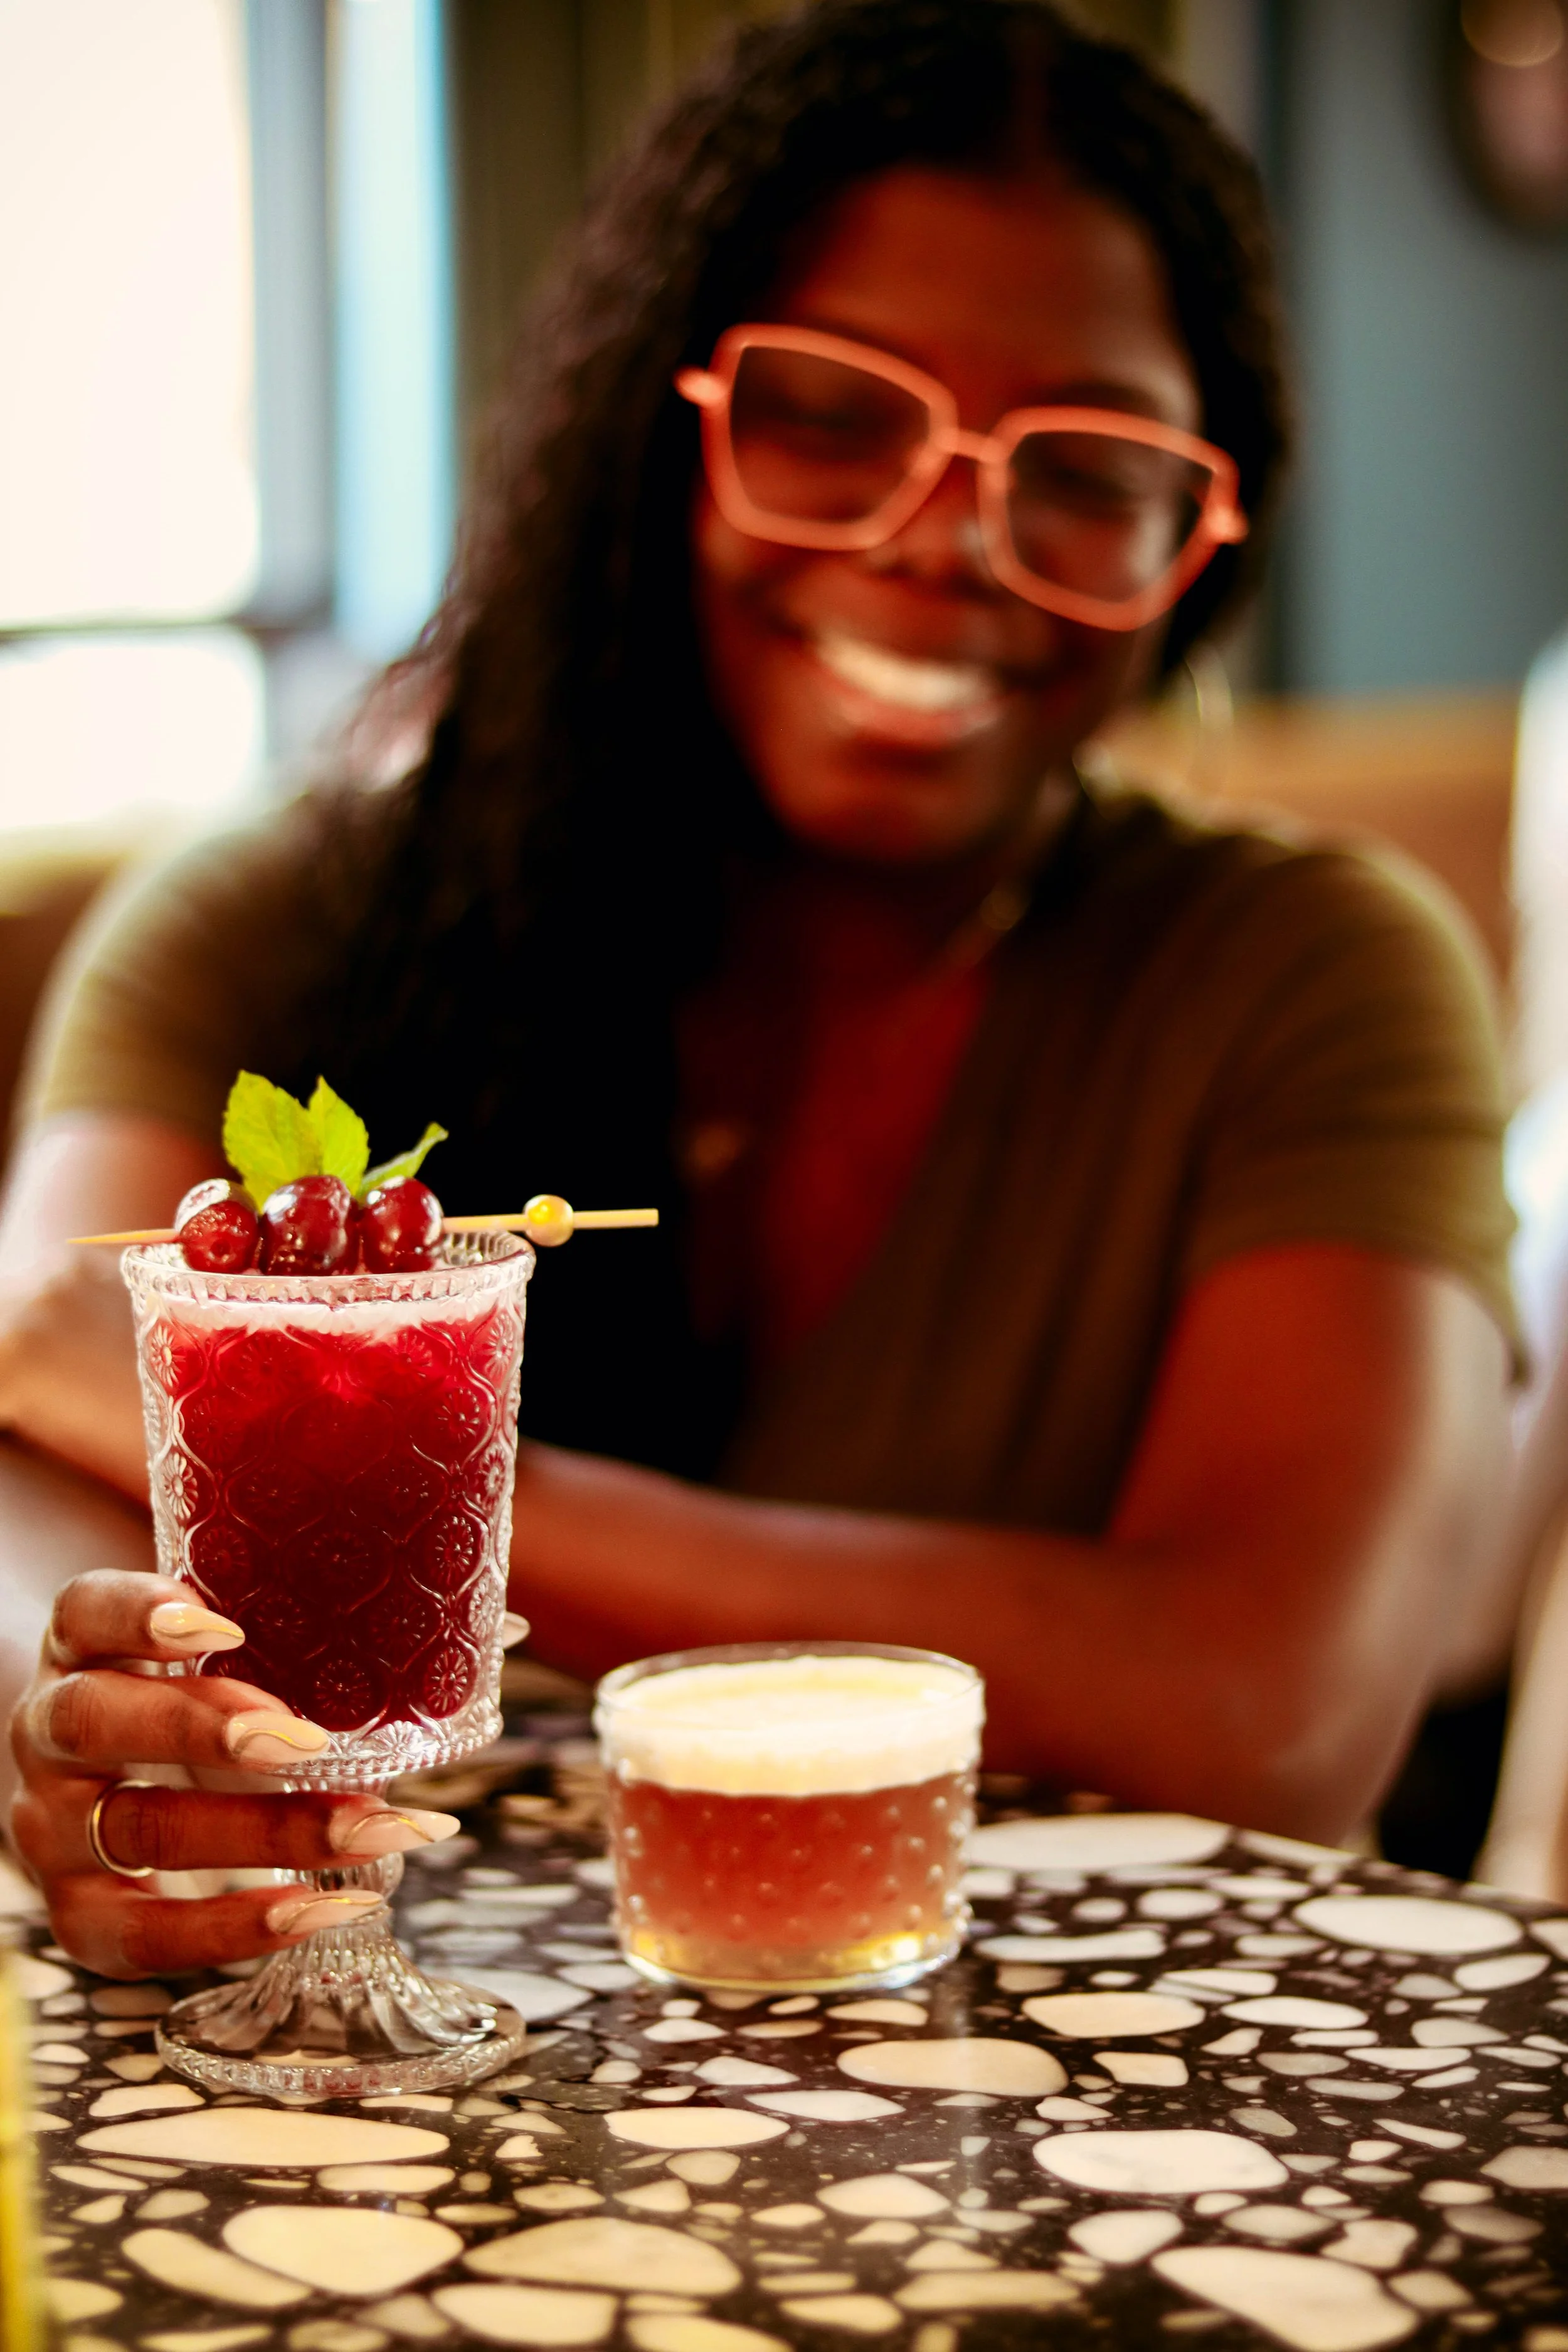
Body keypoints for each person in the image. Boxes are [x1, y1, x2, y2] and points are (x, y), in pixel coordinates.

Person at [1, 0, 1517, 1981]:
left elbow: (1268, 1715)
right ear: (657, 431)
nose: (947, 539)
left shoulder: (1309, 977)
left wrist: (415, 1462)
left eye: (1084, 466)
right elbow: (35, 1455)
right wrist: (72, 1723)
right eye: (829, 414)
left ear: (1193, 546)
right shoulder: (271, 928)